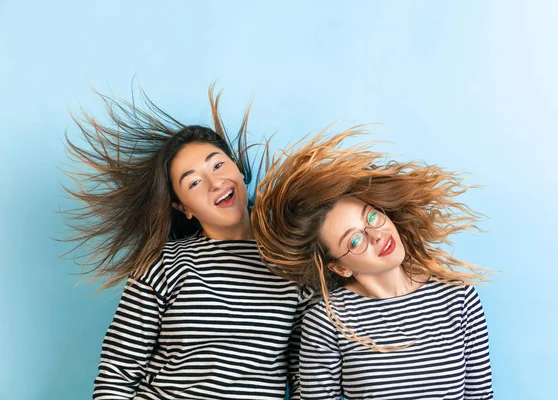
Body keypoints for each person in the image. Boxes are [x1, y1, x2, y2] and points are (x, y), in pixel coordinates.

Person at [64, 85, 311, 399]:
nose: (214, 183)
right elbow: (118, 369)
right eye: (194, 182)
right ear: (183, 207)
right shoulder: (163, 263)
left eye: (218, 165)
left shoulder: (291, 261)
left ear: (237, 167)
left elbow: (307, 375)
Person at [252, 129, 494, 399]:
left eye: (371, 217)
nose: (377, 235)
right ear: (341, 267)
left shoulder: (458, 296)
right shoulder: (326, 322)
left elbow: (480, 395)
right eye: (355, 241)